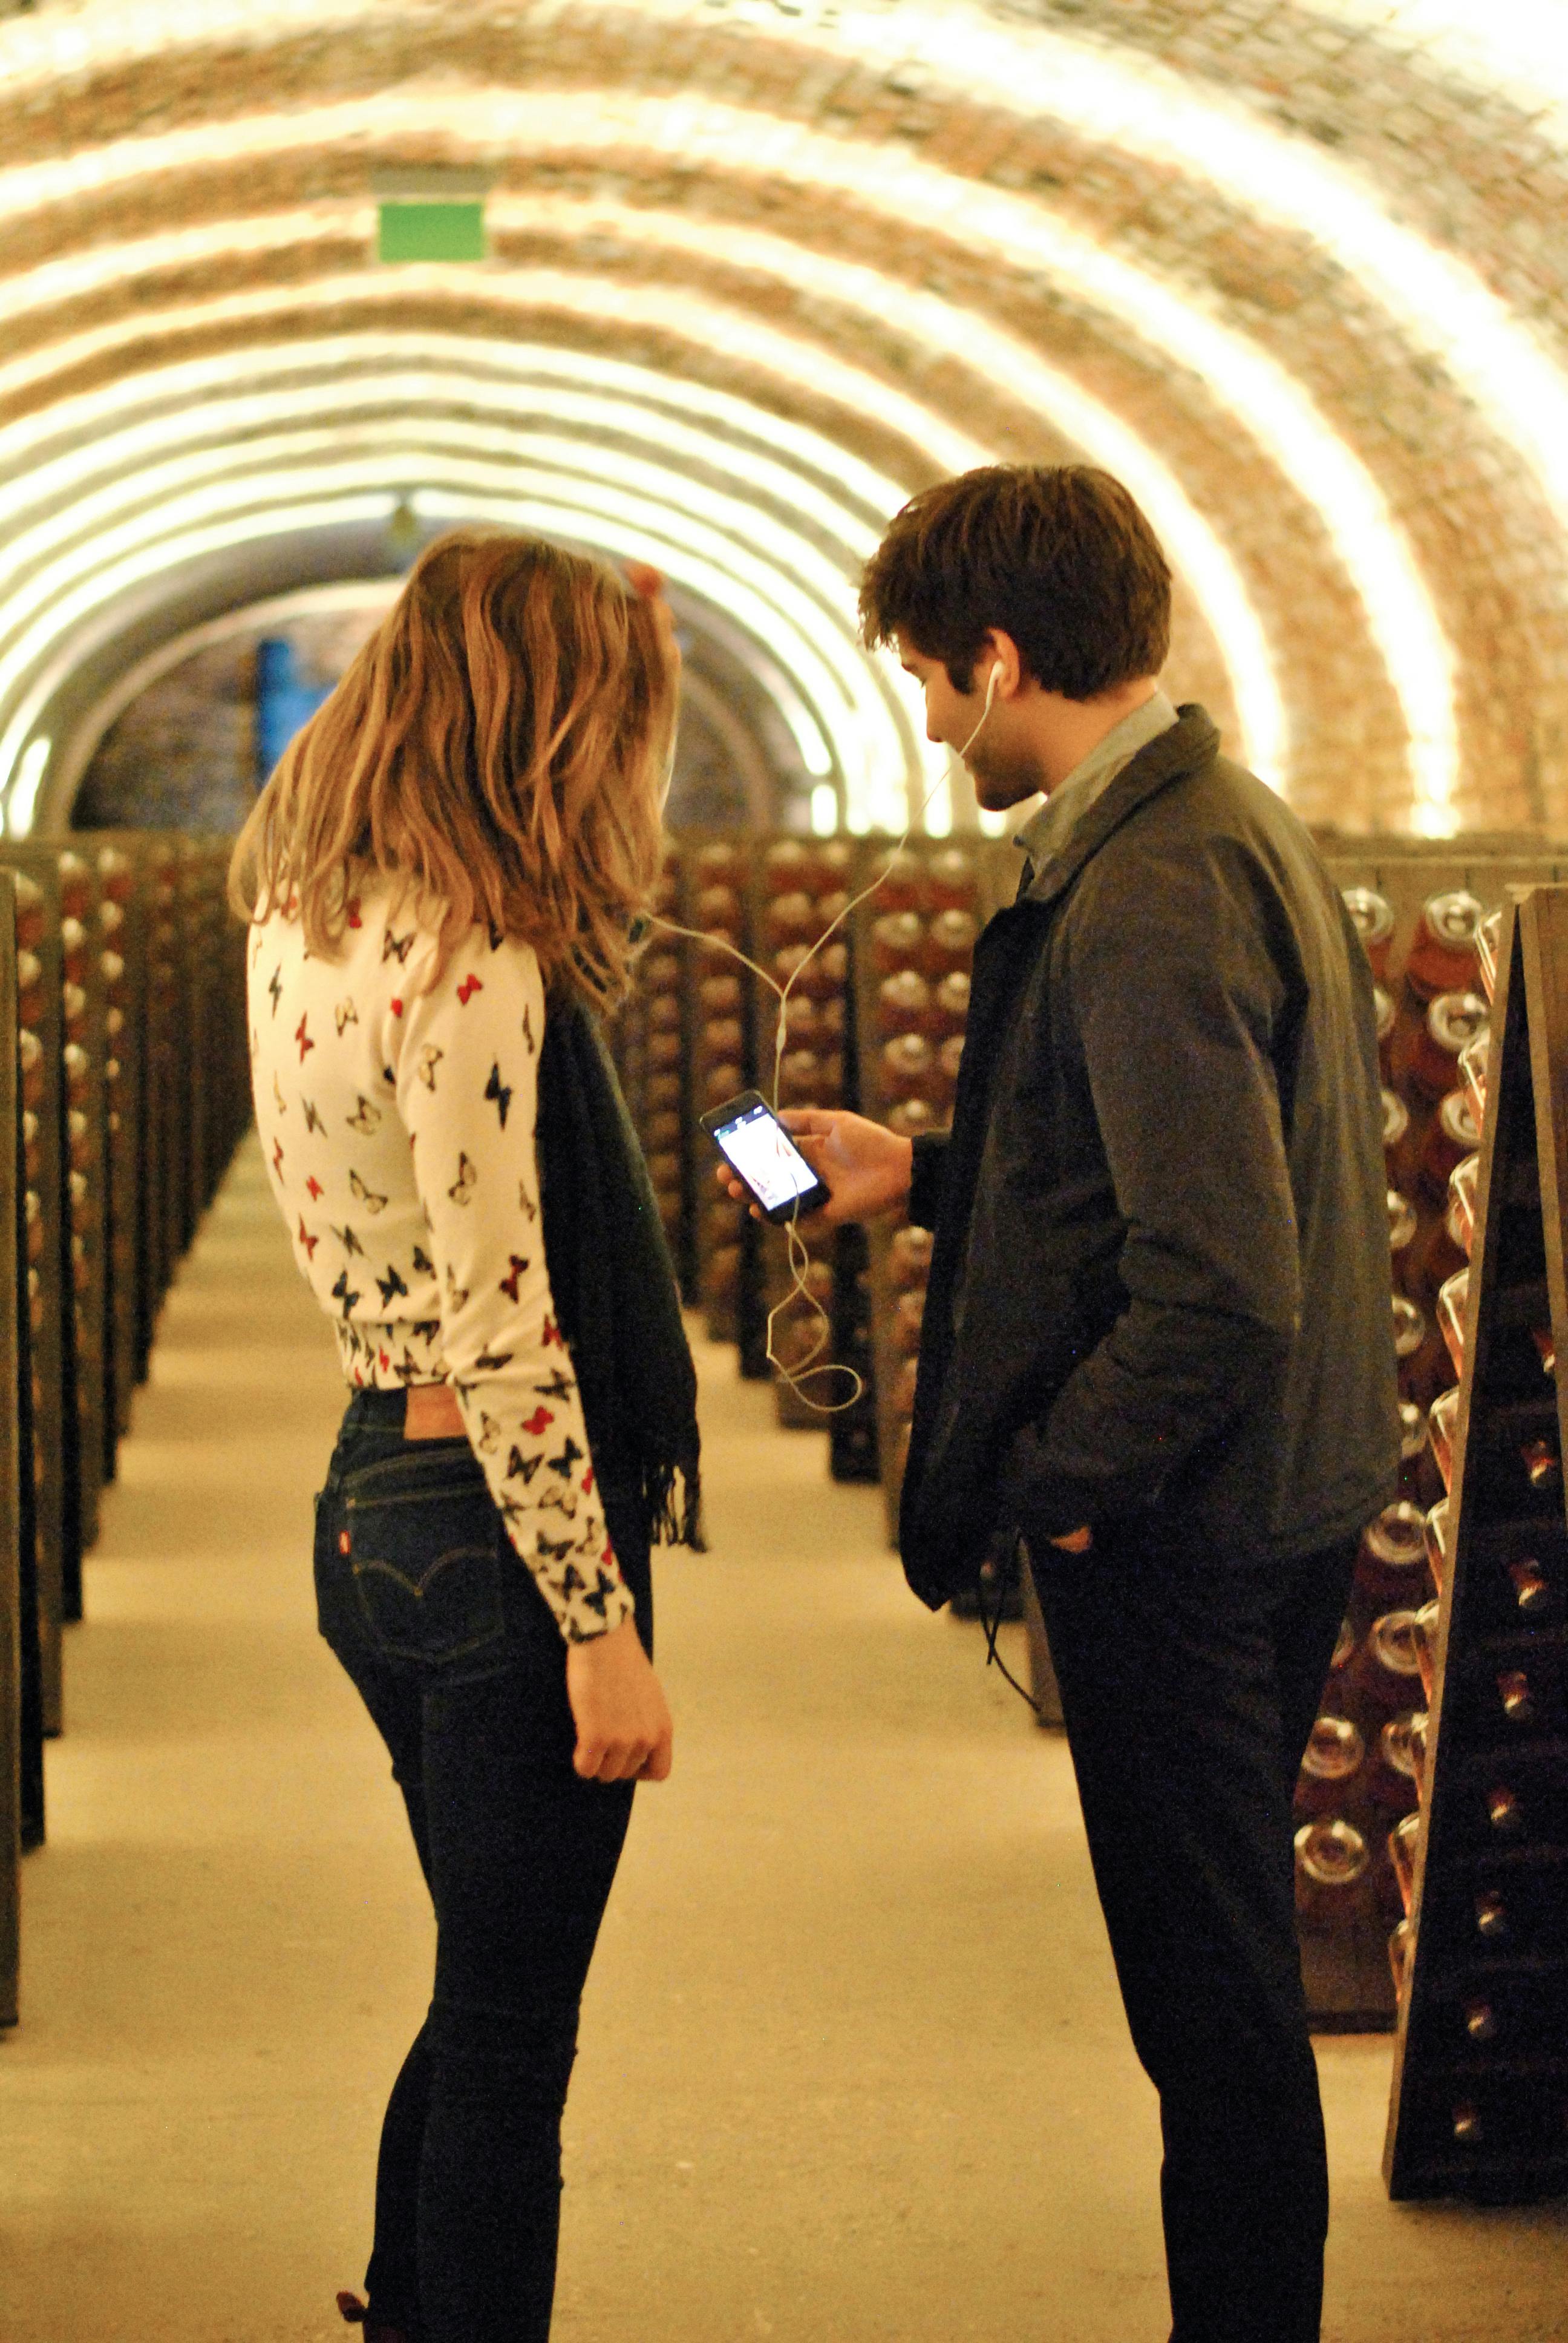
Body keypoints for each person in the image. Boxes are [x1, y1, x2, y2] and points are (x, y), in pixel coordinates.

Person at [727, 466, 1399, 2341]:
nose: (935, 723)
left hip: (1190, 1527)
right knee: (1218, 1988)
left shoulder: (1152, 888)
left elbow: (1220, 1277)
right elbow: (1168, 1184)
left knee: (1214, 2007)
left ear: (1004, 660)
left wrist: (1064, 1481)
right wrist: (926, 1174)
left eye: (933, 682)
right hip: (1269, 1487)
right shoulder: (1217, 826)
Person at [230, 530, 702, 2343]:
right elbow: (509, 1331)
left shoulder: (311, 914)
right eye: (615, 725)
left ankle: (413, 2300)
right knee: (515, 2039)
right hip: (492, 1523)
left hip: (372, 1494)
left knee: (483, 1987)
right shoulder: (476, 955)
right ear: (549, 726)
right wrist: (599, 1625)